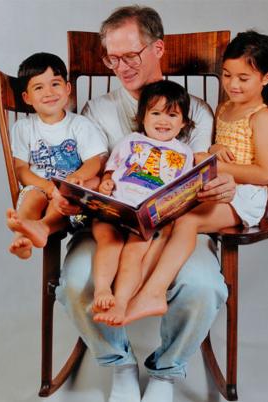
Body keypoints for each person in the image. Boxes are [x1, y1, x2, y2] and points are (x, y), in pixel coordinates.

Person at [54, 6, 236, 402]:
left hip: (173, 231)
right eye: (112, 58)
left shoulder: (196, 113)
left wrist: (220, 184)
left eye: (131, 55)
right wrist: (76, 192)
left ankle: (167, 371)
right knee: (76, 283)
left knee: (203, 285)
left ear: (158, 49)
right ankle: (117, 363)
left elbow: (201, 171)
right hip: (109, 229)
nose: (121, 67)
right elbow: (93, 171)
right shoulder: (97, 110)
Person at [123, 30, 268, 326]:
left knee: (187, 220)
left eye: (243, 78)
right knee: (168, 214)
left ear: (266, 77)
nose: (232, 85)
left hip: (245, 196)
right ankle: (137, 287)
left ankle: (154, 291)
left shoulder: (262, 117)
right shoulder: (225, 108)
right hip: (216, 186)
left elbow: (263, 173)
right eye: (226, 75)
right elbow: (220, 149)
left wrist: (213, 164)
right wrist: (215, 149)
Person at [91, 80, 195, 324]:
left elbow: (182, 191)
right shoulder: (130, 141)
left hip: (147, 218)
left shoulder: (183, 153)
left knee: (132, 255)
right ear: (142, 117)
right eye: (155, 113)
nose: (163, 121)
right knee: (109, 242)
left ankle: (122, 303)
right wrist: (106, 181)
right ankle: (102, 290)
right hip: (115, 208)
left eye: (172, 115)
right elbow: (111, 169)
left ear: (183, 123)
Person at [5, 52, 107, 259]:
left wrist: (76, 178)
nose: (49, 92)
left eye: (55, 84)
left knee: (63, 197)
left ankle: (43, 227)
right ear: (27, 97)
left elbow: (94, 161)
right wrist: (47, 187)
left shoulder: (80, 124)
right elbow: (21, 169)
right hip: (39, 186)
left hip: (70, 194)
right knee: (33, 196)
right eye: (38, 87)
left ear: (67, 88)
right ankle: (21, 239)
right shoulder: (23, 128)